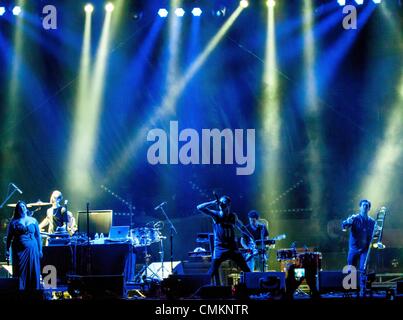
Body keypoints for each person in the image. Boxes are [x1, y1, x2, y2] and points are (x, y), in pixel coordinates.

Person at [197, 195, 250, 285]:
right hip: (220, 249)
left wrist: (251, 236)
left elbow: (242, 227)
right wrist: (213, 202)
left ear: (229, 205)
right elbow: (199, 207)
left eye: (224, 203)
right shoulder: (215, 214)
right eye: (220, 203)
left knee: (246, 269)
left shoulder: (233, 216)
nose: (221, 205)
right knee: (212, 271)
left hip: (233, 248)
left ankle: (253, 288)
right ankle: (201, 288)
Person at [5, 201, 42, 290]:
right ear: (17, 210)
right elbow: (9, 237)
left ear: (26, 208)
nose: (22, 208)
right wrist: (7, 250)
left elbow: (38, 236)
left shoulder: (33, 220)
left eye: (23, 206)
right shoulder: (13, 222)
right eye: (19, 207)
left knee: (33, 270)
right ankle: (21, 292)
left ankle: (34, 291)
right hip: (19, 250)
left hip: (33, 249)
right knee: (20, 271)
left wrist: (40, 250)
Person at [342, 199, 375, 295]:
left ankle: (362, 290)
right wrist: (347, 222)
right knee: (351, 268)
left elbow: (374, 235)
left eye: (367, 205)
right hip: (353, 249)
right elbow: (344, 226)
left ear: (369, 208)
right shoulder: (354, 218)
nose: (365, 207)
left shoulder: (372, 221)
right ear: (360, 207)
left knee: (363, 269)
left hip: (365, 249)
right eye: (363, 205)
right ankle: (350, 289)